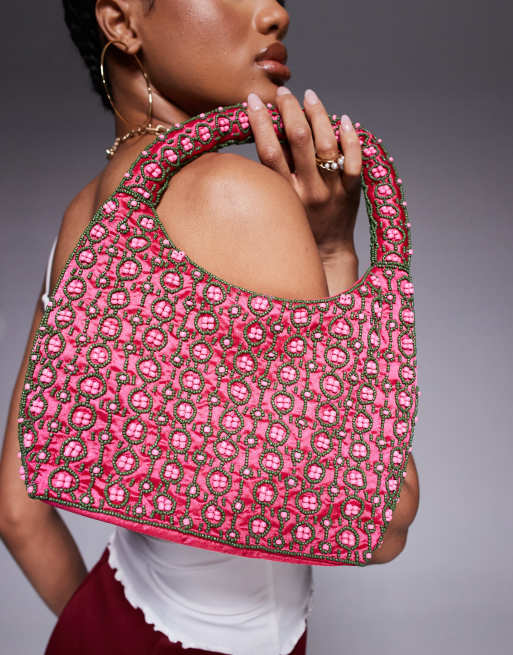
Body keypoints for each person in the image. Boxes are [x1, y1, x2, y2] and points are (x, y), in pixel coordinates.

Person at [0, 1, 420, 653]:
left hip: (107, 623)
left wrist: (103, 633)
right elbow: (383, 520)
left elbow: (17, 511)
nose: (274, 12)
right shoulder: (234, 193)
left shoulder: (85, 215)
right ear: (121, 22)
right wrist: (336, 251)